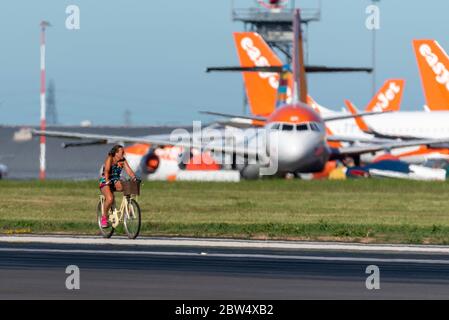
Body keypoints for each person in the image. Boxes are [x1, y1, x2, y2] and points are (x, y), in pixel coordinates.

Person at [99, 145, 137, 228]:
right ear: (116, 153)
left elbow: (129, 171)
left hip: (115, 180)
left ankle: (128, 207)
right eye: (122, 152)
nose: (124, 154)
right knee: (110, 199)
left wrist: (134, 178)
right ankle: (104, 218)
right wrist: (107, 180)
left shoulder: (123, 161)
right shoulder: (110, 158)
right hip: (105, 180)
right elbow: (106, 170)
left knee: (128, 187)